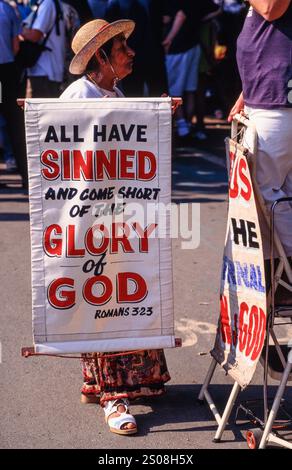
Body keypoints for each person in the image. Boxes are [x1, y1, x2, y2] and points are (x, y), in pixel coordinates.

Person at [60, 19, 171, 436]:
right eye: (122, 47)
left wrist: (157, 115)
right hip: (93, 221)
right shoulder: (78, 97)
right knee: (105, 304)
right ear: (101, 56)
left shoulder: (114, 93)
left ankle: (102, 382)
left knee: (125, 296)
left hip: (119, 217)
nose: (131, 53)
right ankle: (113, 396)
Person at [228, 0, 292, 301]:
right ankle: (277, 285)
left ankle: (282, 282)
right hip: (268, 100)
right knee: (274, 196)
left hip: (278, 104)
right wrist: (246, 93)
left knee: (268, 197)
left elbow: (271, 8)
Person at [162, 0, 220, 145]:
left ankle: (182, 126)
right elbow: (218, 10)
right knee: (189, 90)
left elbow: (181, 15)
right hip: (194, 47)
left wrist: (168, 39)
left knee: (174, 91)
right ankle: (187, 124)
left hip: (177, 48)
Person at [105, 0, 168, 97]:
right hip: (131, 58)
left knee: (158, 100)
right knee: (134, 99)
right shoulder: (115, 3)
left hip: (151, 56)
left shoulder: (116, 3)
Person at [0, 0, 28, 189]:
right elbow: (16, 45)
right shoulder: (7, 9)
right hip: (6, 71)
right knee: (15, 122)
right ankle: (27, 177)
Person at [21, 0, 66, 98]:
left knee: (36, 111)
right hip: (48, 71)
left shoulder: (47, 3)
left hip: (44, 71)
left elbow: (35, 35)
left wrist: (16, 29)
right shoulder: (51, 3)